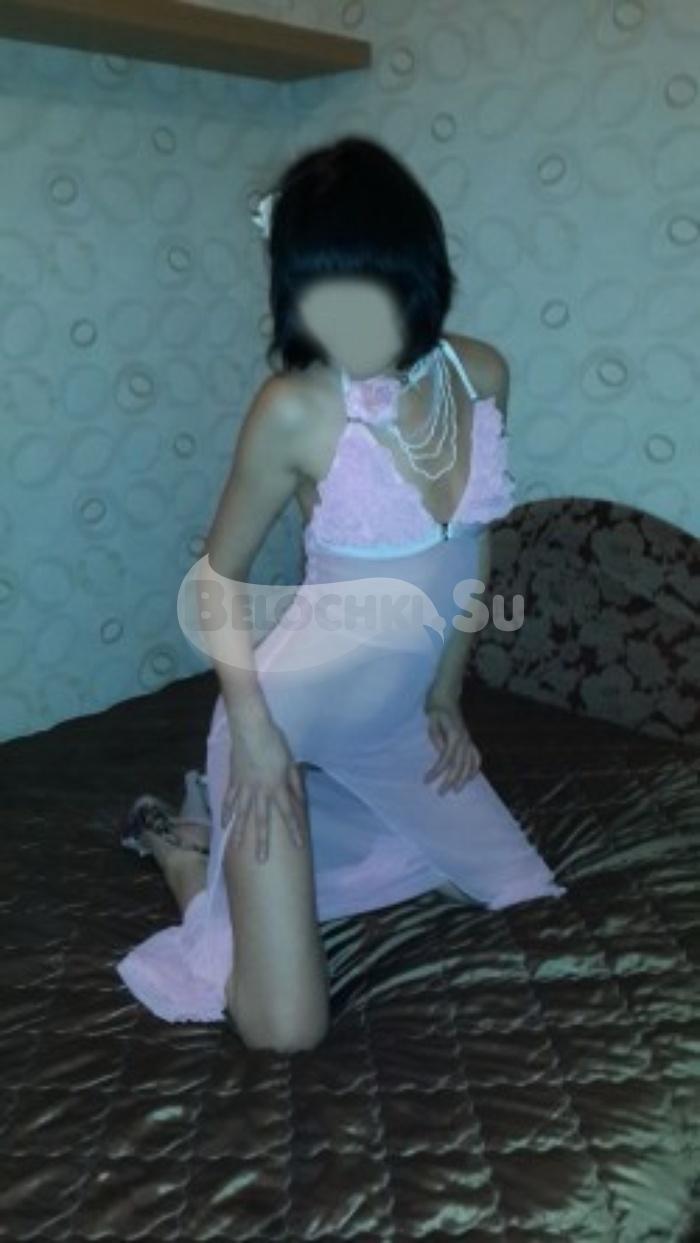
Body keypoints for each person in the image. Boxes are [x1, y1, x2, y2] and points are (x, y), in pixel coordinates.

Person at [115, 135, 566, 1052]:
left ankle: (234, 839)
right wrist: (254, 736)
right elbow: (216, 579)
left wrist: (446, 692)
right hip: (283, 718)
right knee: (285, 1031)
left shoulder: (481, 374)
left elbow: (471, 546)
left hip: (396, 720)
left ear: (416, 264)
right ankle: (186, 857)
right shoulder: (295, 407)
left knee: (524, 890)